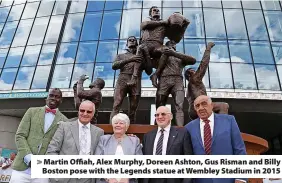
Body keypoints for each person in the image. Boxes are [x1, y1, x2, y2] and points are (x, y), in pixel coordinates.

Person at [185, 95, 247, 183]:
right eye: (197, 106)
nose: (201, 108)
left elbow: (239, 150)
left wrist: (241, 178)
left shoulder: (229, 121)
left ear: (212, 105)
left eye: (204, 104)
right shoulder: (188, 128)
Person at [10, 88, 68, 183]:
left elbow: (61, 147)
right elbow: (20, 135)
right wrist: (29, 157)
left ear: (61, 101)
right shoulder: (31, 112)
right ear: (46, 98)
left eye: (57, 97)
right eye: (51, 95)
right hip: (21, 168)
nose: (53, 98)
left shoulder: (65, 121)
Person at [47, 100, 104, 183]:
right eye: (82, 110)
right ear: (78, 111)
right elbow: (52, 150)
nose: (85, 114)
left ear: (93, 114)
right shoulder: (64, 126)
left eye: (89, 111)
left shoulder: (99, 132)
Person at [142, 106, 193, 183]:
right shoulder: (148, 136)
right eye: (157, 115)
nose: (160, 117)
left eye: (163, 114)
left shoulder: (182, 134)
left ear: (171, 116)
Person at [155, 40, 196, 126]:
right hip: (164, 80)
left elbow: (193, 60)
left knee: (179, 106)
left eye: (174, 44)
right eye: (170, 44)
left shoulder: (179, 56)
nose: (172, 45)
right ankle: (157, 128)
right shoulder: (160, 55)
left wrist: (174, 54)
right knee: (159, 106)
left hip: (177, 81)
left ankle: (180, 128)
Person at [184, 42, 229, 121]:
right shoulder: (194, 79)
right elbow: (204, 64)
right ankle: (223, 126)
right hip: (198, 107)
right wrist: (208, 48)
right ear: (189, 75)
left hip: (194, 110)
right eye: (193, 71)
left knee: (213, 115)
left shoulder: (191, 85)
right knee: (223, 106)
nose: (195, 72)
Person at [127, 6, 168, 86]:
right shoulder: (149, 21)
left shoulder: (165, 23)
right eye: (154, 10)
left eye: (157, 10)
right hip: (147, 44)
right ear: (150, 14)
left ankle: (156, 75)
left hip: (158, 46)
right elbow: (144, 25)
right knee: (140, 47)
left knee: (166, 50)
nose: (156, 11)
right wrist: (162, 22)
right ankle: (134, 77)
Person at [95, 113, 142, 183]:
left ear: (126, 126)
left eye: (121, 123)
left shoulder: (134, 141)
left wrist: (127, 177)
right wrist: (109, 177)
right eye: (115, 123)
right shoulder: (104, 140)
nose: (118, 125)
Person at [110, 36, 144, 124]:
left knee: (133, 108)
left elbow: (149, 70)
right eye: (130, 40)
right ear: (127, 44)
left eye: (134, 40)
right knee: (117, 104)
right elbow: (114, 66)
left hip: (136, 81)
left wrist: (145, 56)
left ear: (137, 43)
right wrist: (130, 59)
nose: (132, 41)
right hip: (123, 79)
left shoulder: (140, 56)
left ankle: (131, 128)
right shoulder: (121, 56)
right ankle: (111, 127)